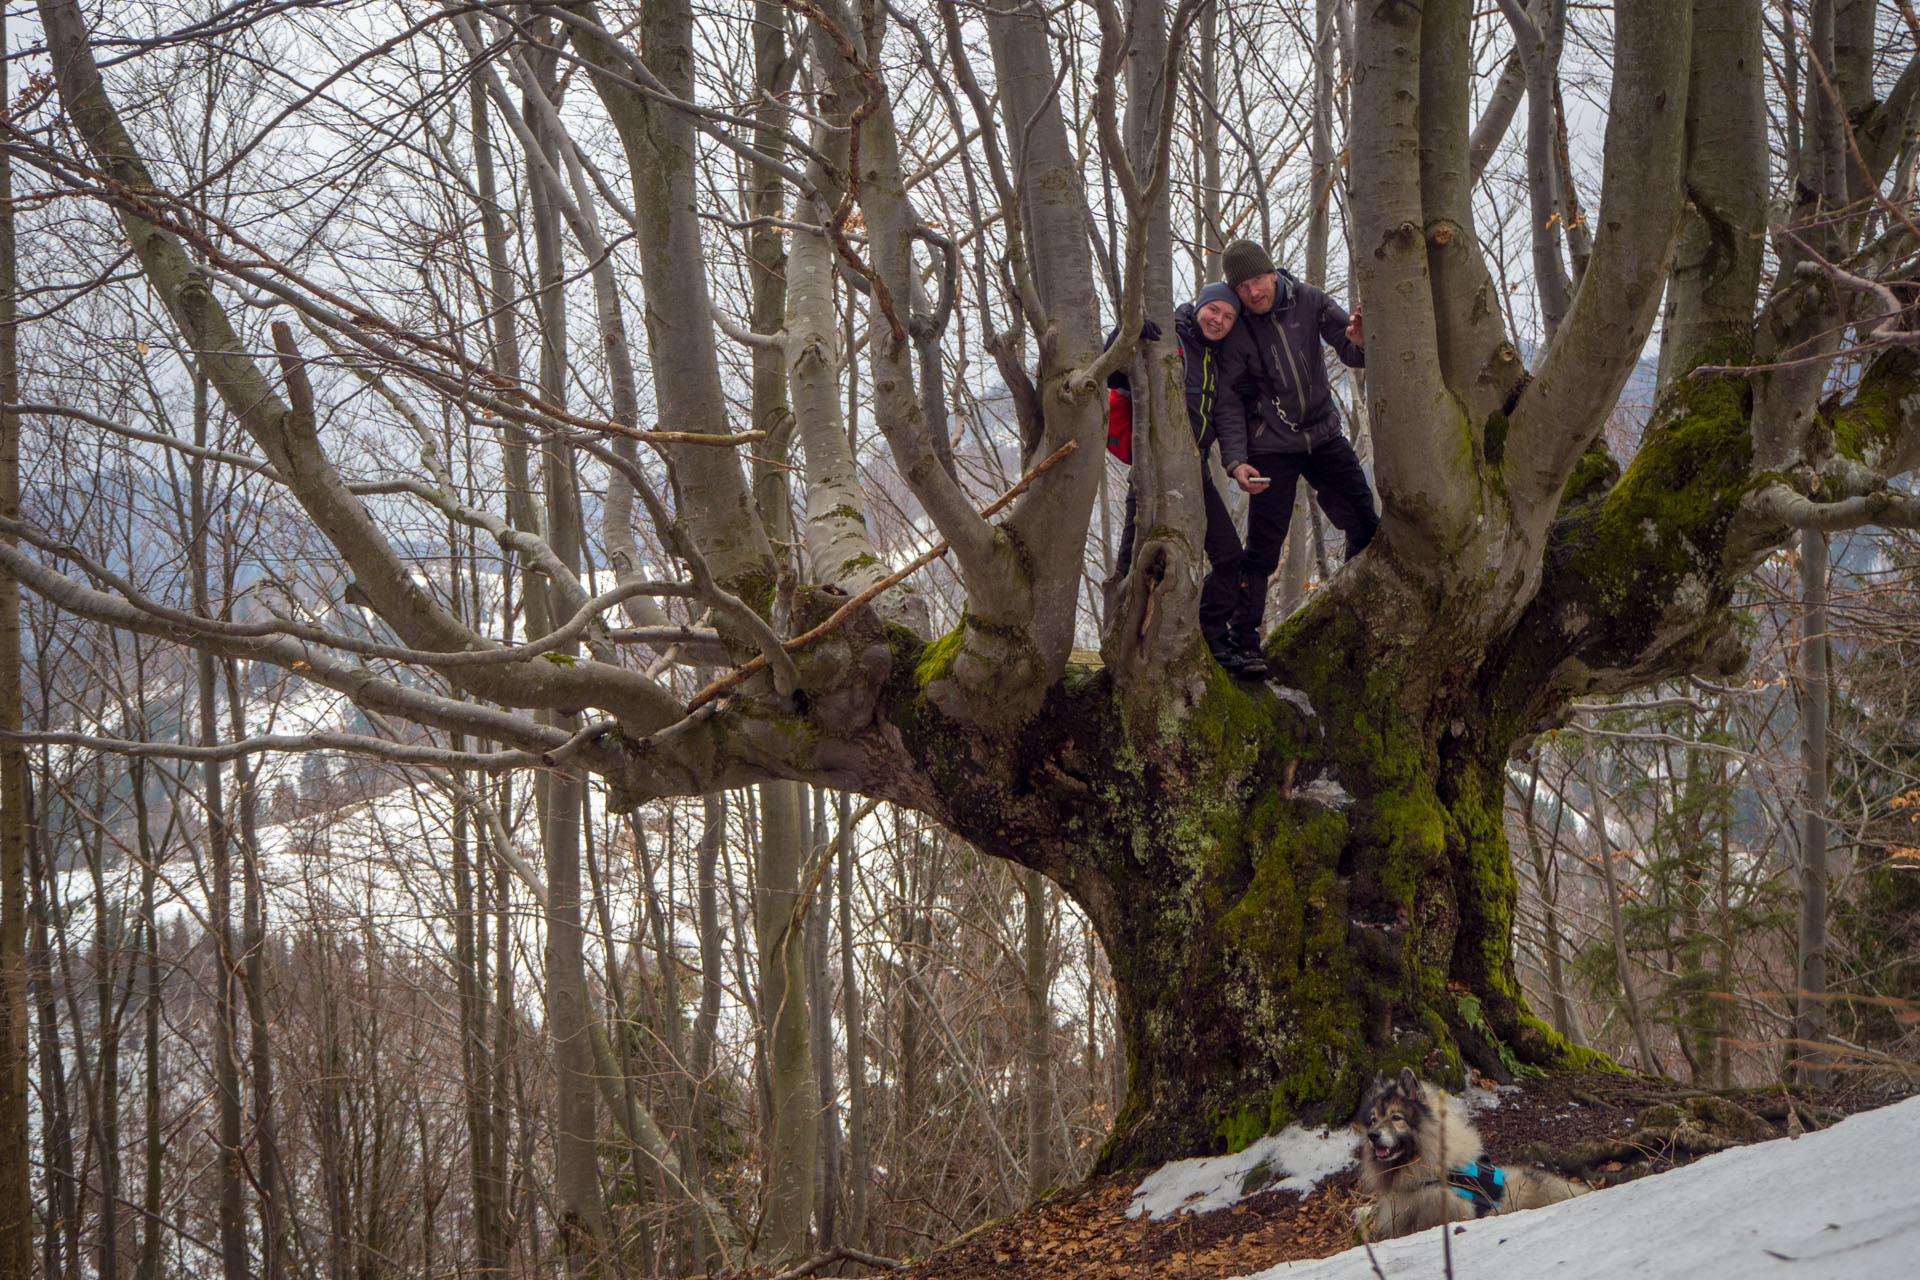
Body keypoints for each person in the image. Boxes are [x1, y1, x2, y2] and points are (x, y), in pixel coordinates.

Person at [1212, 239, 1378, 666]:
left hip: (1323, 436)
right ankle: (1244, 642)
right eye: (1242, 286)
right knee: (1263, 550)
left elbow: (1351, 351)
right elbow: (1227, 402)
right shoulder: (1237, 328)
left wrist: (1361, 342)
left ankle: (1356, 602)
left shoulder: (1311, 301)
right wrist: (1235, 460)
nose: (1252, 293)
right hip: (1269, 447)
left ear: (1272, 273)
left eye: (1257, 281)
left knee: (1363, 521)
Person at [1107, 283, 1266, 676]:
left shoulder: (1221, 358)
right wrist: (1126, 334)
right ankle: (1118, 653)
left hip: (1195, 472)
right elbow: (1111, 375)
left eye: (1228, 317)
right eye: (1214, 310)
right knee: (1131, 566)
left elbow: (1227, 416)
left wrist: (1235, 463)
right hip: (1151, 470)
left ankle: (1213, 642)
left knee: (1229, 557)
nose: (1219, 320)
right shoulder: (1167, 337)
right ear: (1198, 307)